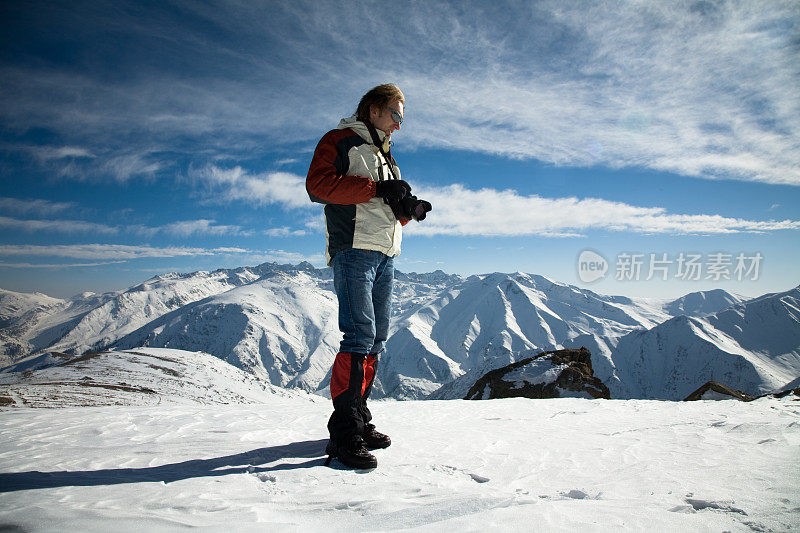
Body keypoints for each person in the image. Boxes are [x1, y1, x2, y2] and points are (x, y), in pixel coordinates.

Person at [306, 84, 432, 469]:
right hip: (354, 251)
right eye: (395, 114)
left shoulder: (386, 156)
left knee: (375, 337)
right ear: (374, 109)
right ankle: (344, 434)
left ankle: (359, 420)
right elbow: (318, 186)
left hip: (385, 253)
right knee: (358, 334)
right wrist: (378, 188)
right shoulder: (340, 140)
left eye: (402, 118)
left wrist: (406, 207)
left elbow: (382, 204)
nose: (399, 124)